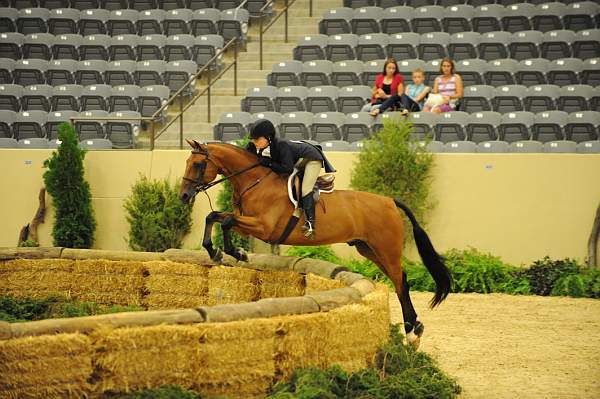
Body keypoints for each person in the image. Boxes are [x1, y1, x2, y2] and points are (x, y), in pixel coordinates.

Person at [246, 119, 335, 238]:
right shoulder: (264, 145)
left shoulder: (281, 145)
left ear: (268, 137)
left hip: (311, 159)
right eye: (253, 139)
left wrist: (268, 163)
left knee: (305, 189)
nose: (254, 142)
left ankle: (310, 223)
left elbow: (287, 169)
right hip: (298, 161)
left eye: (257, 139)